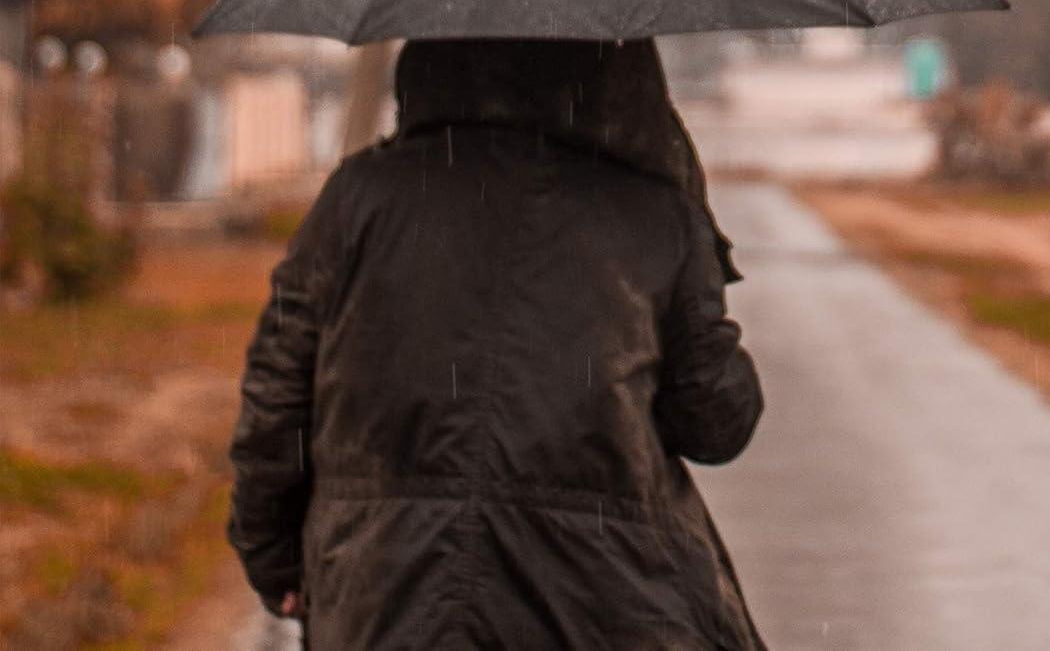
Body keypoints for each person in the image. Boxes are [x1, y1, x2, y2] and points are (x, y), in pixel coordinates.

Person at [227, 36, 766, 649]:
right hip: (598, 607)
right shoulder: (652, 214)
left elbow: (277, 402)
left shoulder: (356, 201)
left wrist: (275, 559)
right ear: (614, 74)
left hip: (386, 601)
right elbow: (717, 424)